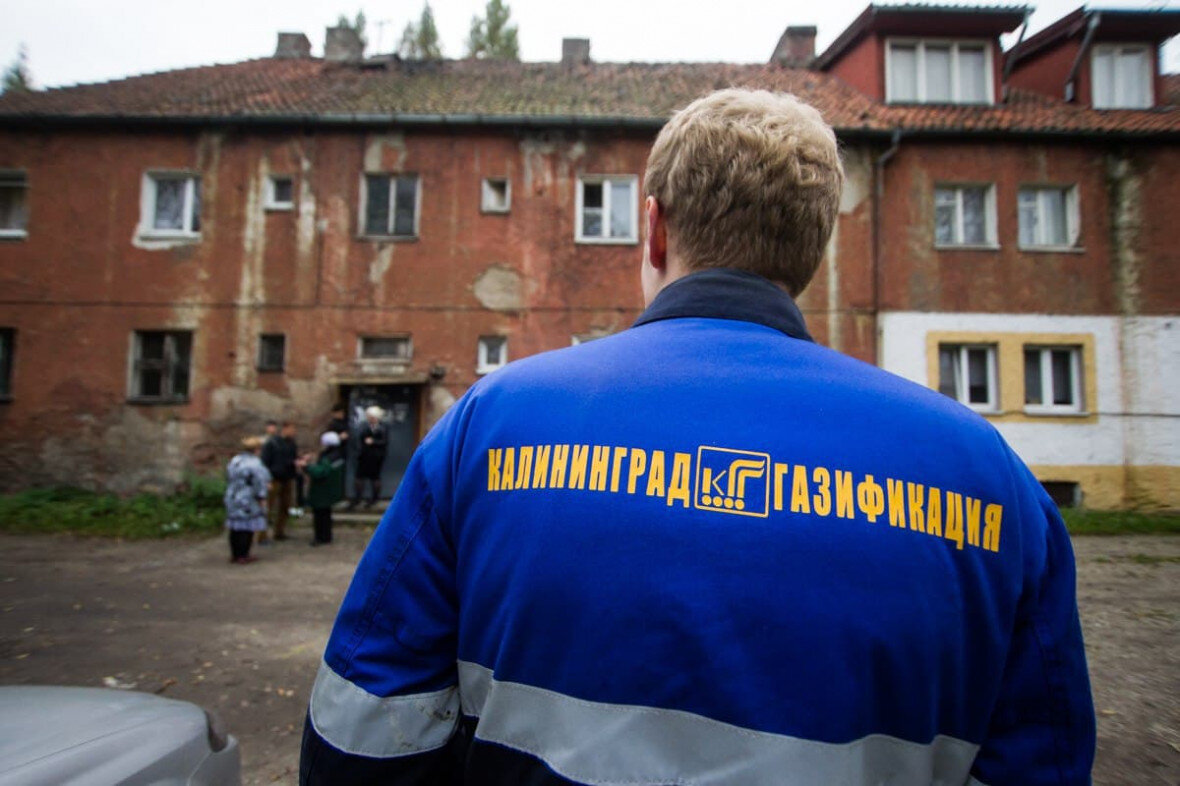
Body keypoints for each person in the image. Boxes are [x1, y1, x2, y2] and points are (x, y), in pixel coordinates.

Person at [301, 90, 1095, 784]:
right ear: (812, 250)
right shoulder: (989, 477)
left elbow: (364, 731)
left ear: (652, 229)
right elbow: (1040, 762)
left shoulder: (490, 423)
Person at [223, 435, 270, 565]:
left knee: (235, 527)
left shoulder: (235, 460)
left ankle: (235, 554)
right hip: (247, 498)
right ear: (256, 449)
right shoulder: (255, 463)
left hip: (233, 495)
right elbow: (259, 482)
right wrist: (261, 497)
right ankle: (243, 554)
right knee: (247, 527)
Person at [303, 432, 346, 546]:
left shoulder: (328, 458)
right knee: (326, 514)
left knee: (320, 516)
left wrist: (307, 467)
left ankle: (320, 537)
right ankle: (327, 536)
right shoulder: (338, 455)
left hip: (322, 491)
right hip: (330, 490)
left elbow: (320, 472)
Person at [262, 420, 299, 541]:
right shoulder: (272, 443)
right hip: (274, 478)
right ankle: (262, 534)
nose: (294, 432)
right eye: (292, 429)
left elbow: (293, 458)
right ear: (285, 429)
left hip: (287, 477)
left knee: (285, 506)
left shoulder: (292, 444)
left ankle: (279, 531)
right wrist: (266, 477)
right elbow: (265, 461)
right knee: (268, 506)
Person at [349, 405, 387, 509]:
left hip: (376, 457)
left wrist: (373, 441)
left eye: (372, 417)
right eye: (369, 417)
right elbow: (359, 439)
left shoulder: (382, 427)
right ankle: (358, 498)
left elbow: (384, 441)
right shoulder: (364, 426)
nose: (370, 419)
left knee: (375, 477)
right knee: (359, 476)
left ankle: (374, 499)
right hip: (364, 456)